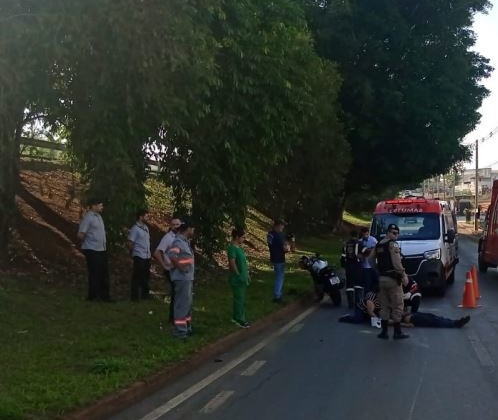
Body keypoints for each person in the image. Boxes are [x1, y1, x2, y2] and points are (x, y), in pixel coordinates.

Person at [372, 223, 409, 339]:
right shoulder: (392, 245)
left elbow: (370, 260)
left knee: (384, 305)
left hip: (381, 279)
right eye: (393, 233)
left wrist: (377, 270)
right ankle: (397, 332)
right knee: (398, 305)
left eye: (397, 233)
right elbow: (397, 263)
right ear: (388, 233)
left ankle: (384, 332)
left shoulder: (378, 245)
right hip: (393, 280)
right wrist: (403, 275)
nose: (396, 235)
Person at [77, 198, 111, 302]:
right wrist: (86, 242)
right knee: (94, 273)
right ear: (93, 206)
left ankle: (104, 296)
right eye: (100, 205)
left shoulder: (99, 217)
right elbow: (80, 234)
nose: (102, 207)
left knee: (104, 273)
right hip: (92, 249)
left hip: (101, 249)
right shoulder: (88, 218)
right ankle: (93, 296)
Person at [167, 219, 195, 338]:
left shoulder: (185, 241)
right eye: (192, 229)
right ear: (187, 229)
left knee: (187, 304)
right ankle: (180, 331)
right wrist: (181, 268)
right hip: (181, 278)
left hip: (187, 278)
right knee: (181, 305)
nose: (193, 231)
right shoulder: (178, 242)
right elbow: (172, 256)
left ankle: (187, 327)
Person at [154, 218, 182, 323]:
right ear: (170, 226)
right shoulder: (167, 237)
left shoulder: (180, 237)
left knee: (178, 293)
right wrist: (164, 265)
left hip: (179, 269)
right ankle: (173, 318)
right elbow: (157, 252)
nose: (176, 226)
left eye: (178, 224)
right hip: (171, 269)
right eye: (174, 225)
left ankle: (177, 316)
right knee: (176, 292)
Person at [227, 228, 250, 328]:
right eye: (242, 237)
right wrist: (238, 274)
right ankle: (239, 318)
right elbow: (232, 262)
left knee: (242, 299)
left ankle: (240, 316)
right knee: (239, 299)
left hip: (243, 277)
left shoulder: (240, 248)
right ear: (237, 237)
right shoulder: (232, 248)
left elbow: (244, 263)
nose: (244, 239)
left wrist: (247, 274)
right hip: (237, 278)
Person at [127, 209, 151, 301]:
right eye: (146, 216)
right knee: (137, 276)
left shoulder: (146, 228)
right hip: (139, 255)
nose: (147, 217)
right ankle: (134, 297)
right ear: (140, 217)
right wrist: (132, 252)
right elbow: (130, 242)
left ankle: (145, 296)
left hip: (147, 255)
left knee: (145, 276)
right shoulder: (135, 228)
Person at [267, 219, 289, 303]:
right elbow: (284, 247)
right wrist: (287, 247)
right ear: (277, 225)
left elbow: (270, 244)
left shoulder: (270, 234)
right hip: (279, 258)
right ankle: (277, 296)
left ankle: (278, 294)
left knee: (279, 276)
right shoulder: (277, 235)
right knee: (280, 277)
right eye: (282, 225)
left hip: (274, 257)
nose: (283, 227)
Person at [358, 227, 378, 292]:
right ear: (362, 234)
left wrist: (368, 251)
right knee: (367, 283)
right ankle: (367, 297)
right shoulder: (360, 241)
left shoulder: (373, 240)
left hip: (373, 265)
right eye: (364, 235)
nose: (366, 236)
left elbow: (377, 250)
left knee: (375, 282)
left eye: (367, 234)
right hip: (364, 266)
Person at [400, 313, 470, 329]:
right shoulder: (395, 318)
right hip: (415, 320)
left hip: (415, 315)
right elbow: (392, 322)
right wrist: (403, 324)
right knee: (437, 321)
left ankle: (456, 321)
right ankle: (456, 323)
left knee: (438, 318)